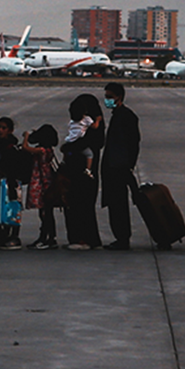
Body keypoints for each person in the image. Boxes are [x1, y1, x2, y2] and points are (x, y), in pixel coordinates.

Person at [61, 94, 104, 250]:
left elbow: (77, 145)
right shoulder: (92, 127)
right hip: (87, 172)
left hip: (81, 173)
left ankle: (81, 239)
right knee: (84, 206)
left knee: (79, 205)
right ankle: (88, 238)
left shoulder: (87, 131)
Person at [101, 82, 140, 251]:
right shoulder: (117, 115)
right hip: (113, 166)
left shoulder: (126, 116)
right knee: (115, 203)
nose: (107, 100)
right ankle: (120, 237)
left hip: (119, 167)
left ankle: (123, 237)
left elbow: (134, 143)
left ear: (119, 97)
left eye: (110, 97)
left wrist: (129, 165)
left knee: (119, 204)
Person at [23, 125, 59, 249]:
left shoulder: (42, 150)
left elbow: (25, 148)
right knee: (46, 212)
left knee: (45, 212)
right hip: (47, 182)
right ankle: (48, 237)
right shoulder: (49, 150)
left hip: (43, 183)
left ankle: (47, 237)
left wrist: (26, 137)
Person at [0, 116, 24, 249]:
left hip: (12, 181)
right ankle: (2, 236)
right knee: (1, 209)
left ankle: (14, 236)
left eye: (3, 128)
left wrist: (12, 184)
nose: (0, 130)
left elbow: (13, 166)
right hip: (0, 179)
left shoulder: (12, 146)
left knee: (13, 208)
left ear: (10, 130)